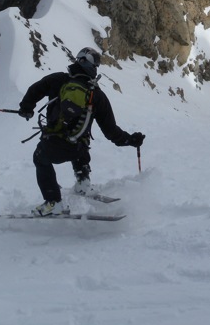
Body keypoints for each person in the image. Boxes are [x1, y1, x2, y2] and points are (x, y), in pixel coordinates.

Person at [18, 47, 145, 216]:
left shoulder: (58, 79)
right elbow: (111, 131)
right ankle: (83, 182)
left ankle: (53, 203)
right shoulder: (97, 95)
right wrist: (130, 140)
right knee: (81, 143)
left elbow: (35, 89)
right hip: (78, 148)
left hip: (54, 145)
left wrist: (26, 108)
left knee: (40, 158)